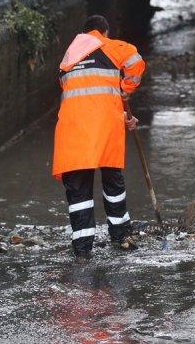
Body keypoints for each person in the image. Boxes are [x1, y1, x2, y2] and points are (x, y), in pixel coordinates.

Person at [52, 15, 146, 259]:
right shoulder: (109, 46)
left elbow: (77, 92)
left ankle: (82, 250)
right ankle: (121, 237)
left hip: (72, 133)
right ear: (103, 32)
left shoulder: (68, 58)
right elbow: (136, 61)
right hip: (104, 129)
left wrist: (117, 102)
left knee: (78, 191)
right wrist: (124, 92)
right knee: (112, 181)